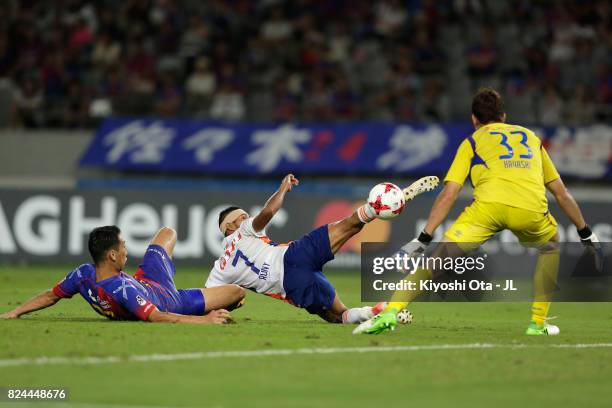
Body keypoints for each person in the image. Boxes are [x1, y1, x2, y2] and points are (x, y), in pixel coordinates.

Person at [356, 87, 600, 336]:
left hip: (487, 209)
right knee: (551, 246)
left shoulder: (472, 141)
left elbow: (449, 193)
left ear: (474, 120)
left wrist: (423, 238)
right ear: (503, 116)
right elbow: (562, 193)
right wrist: (585, 232)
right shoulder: (531, 138)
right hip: (530, 208)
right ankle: (538, 324)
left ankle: (390, 312)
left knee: (437, 259)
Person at [205, 173, 438, 323]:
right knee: (349, 225)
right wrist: (283, 188)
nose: (247, 217)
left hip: (292, 287)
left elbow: (206, 298)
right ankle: (384, 204)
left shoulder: (219, 269)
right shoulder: (244, 229)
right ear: (230, 225)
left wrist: (208, 317)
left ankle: (376, 311)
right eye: (243, 215)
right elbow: (267, 212)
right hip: (296, 255)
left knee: (338, 317)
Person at [0, 226, 244, 324]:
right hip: (172, 301)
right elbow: (158, 316)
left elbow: (50, 295)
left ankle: (215, 301)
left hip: (147, 280)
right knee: (237, 292)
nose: (127, 251)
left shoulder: (83, 274)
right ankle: (214, 305)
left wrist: (16, 311)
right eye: (124, 246)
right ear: (113, 256)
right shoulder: (121, 291)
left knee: (167, 232)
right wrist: (205, 320)